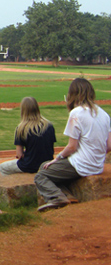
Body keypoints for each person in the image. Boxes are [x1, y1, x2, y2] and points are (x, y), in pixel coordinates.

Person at [34, 78, 111, 212]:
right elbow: (109, 146)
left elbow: (72, 147)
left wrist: (57, 158)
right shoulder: (104, 114)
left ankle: (57, 197)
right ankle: (68, 196)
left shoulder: (76, 113)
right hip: (97, 165)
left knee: (41, 175)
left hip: (82, 164)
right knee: (47, 167)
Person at [0, 97, 56, 175]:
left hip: (30, 165)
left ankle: (13, 185)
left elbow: (19, 155)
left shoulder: (21, 128)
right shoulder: (49, 125)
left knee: (2, 167)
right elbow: (49, 146)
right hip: (47, 164)